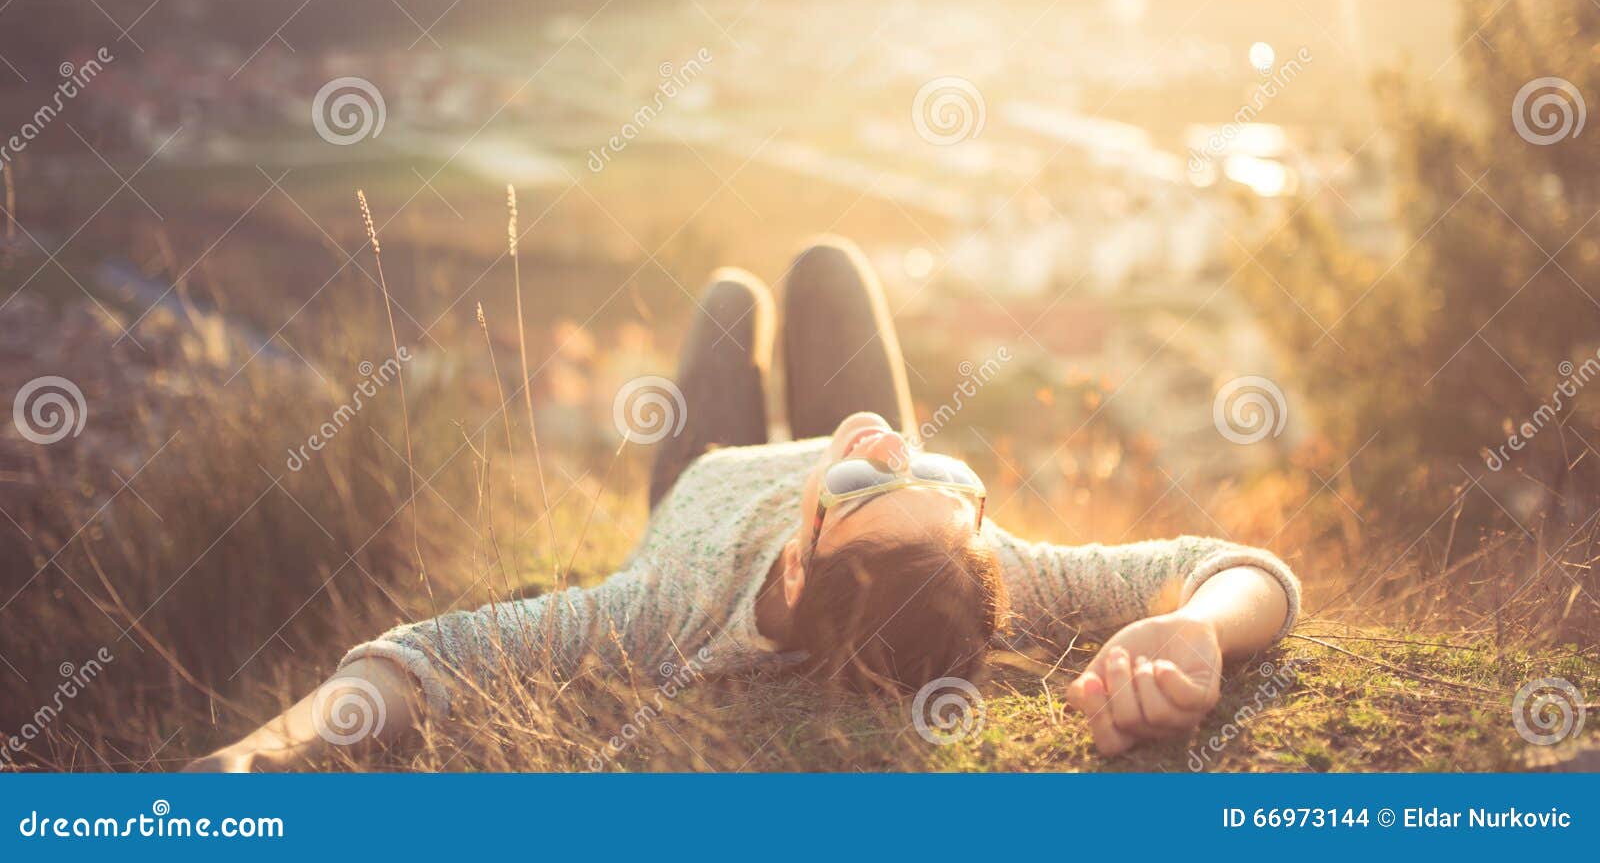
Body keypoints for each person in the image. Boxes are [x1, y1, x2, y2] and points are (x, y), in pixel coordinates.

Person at [187, 237, 1298, 770]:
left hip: (705, 475)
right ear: (974, 528)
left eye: (870, 485)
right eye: (942, 479)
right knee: (823, 267)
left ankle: (743, 347)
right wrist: (1195, 623)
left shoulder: (665, 604)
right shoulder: (980, 548)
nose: (895, 447)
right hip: (839, 496)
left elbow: (430, 656)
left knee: (728, 299)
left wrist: (261, 752)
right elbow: (1242, 563)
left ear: (803, 558)